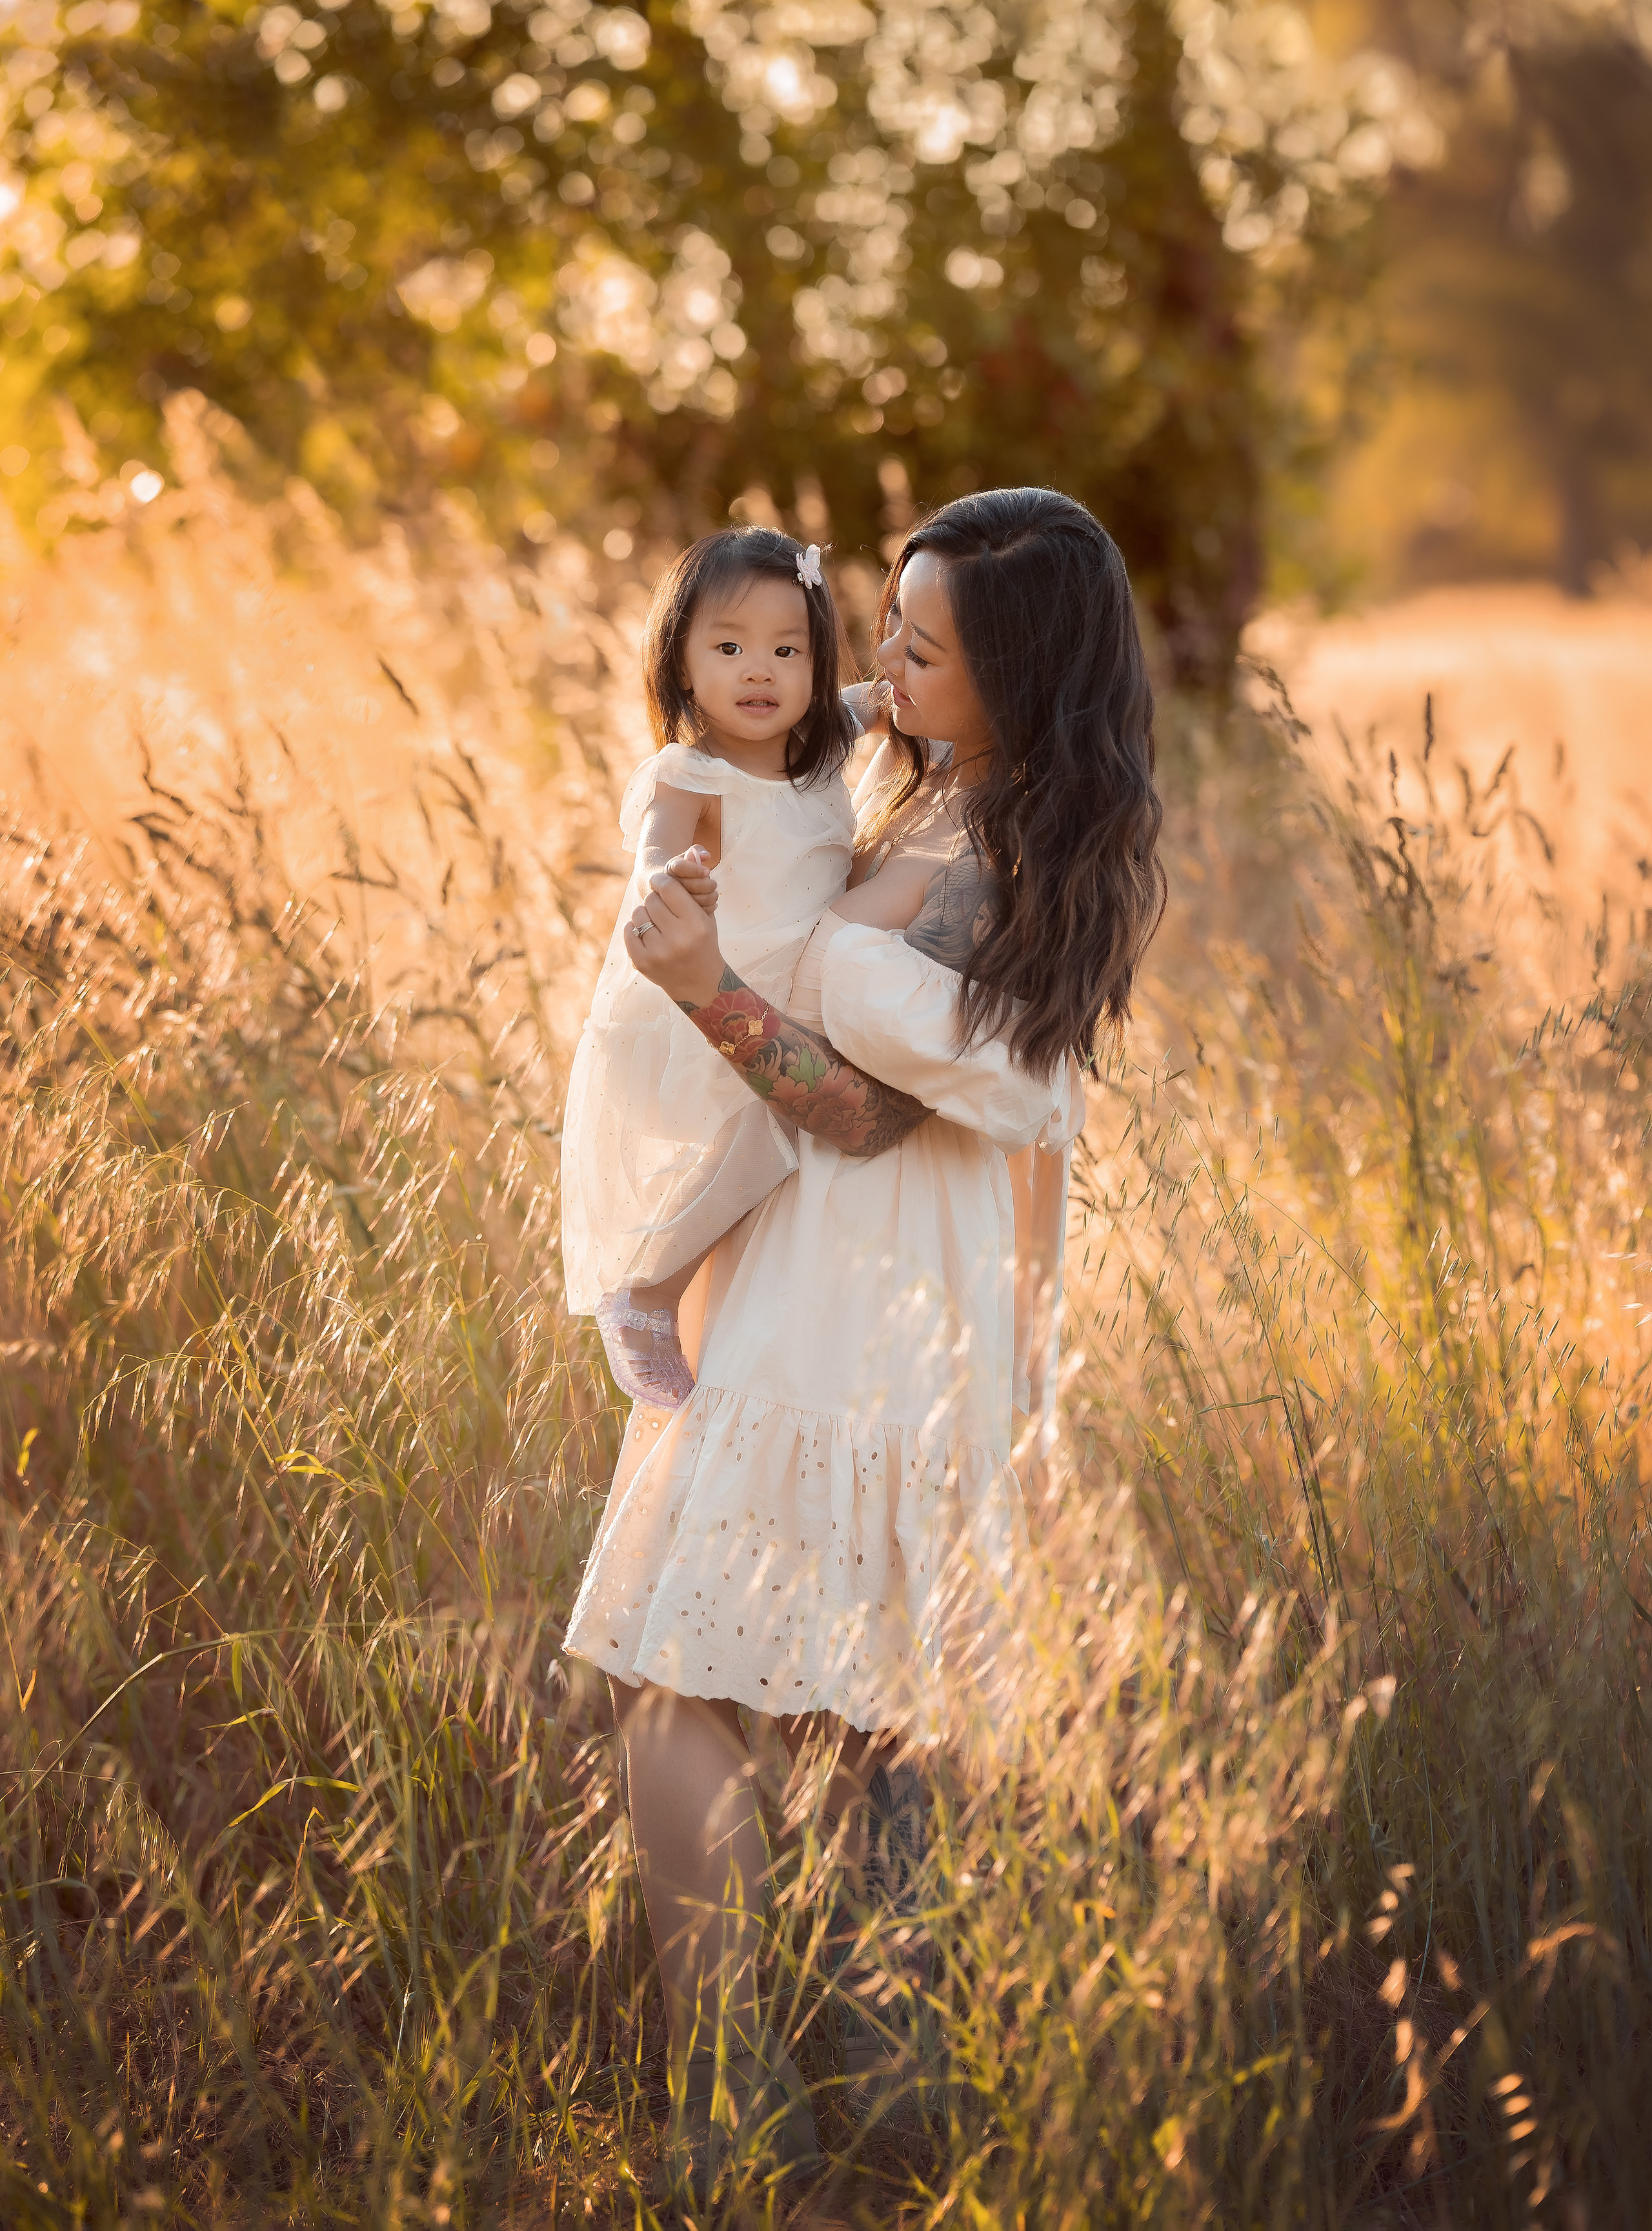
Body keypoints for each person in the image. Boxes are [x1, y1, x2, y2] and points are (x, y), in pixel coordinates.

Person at [563, 488, 1166, 2195]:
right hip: (857, 1294)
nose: (876, 667)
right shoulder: (954, 794)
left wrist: (708, 986)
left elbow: (864, 1113)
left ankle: (736, 2106)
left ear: (1016, 676)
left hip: (856, 1309)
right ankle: (881, 2102)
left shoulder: (992, 856)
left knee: (685, 1685)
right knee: (846, 1709)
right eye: (880, 629)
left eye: (919, 649)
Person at [559, 525, 866, 1409]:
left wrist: (899, 699)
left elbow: (865, 706)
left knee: (784, 1142)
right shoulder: (694, 775)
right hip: (712, 1000)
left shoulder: (822, 753)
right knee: (778, 1127)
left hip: (790, 1001)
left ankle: (708, 1306)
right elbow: (656, 852)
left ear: (816, 664)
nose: (759, 671)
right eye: (729, 649)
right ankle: (647, 1293)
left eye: (786, 650)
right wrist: (675, 877)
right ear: (684, 668)